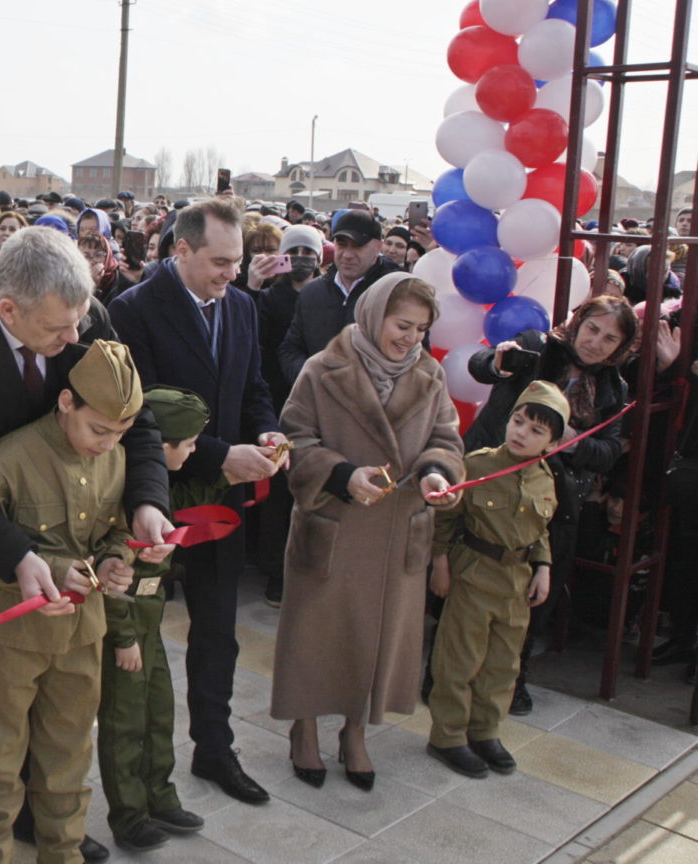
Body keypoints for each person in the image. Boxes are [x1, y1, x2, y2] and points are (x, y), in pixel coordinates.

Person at [0, 226, 172, 863]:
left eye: (79, 322)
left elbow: (137, 420)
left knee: (40, 707)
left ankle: (35, 822)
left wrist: (147, 502)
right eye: (57, 332)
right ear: (9, 308)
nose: (73, 341)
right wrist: (18, 556)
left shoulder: (81, 314)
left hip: (55, 541)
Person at [108, 198, 285, 805]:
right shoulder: (131, 310)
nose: (231, 274)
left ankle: (215, 748)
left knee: (217, 630)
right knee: (138, 637)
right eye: (219, 262)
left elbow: (254, 386)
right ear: (180, 250)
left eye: (238, 262)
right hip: (154, 495)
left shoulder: (242, 307)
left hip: (222, 501)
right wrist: (219, 453)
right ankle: (137, 777)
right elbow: (140, 410)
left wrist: (265, 433)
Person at [0, 341, 147, 863]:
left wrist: (111, 561)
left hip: (82, 634)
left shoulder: (116, 459)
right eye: (98, 430)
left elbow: (114, 530)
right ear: (66, 402)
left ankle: (63, 853)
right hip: (10, 634)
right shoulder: (11, 458)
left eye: (121, 434)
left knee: (68, 757)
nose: (107, 445)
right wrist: (45, 569)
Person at [271, 272, 464, 791]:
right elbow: (293, 439)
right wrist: (340, 475)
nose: (411, 338)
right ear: (375, 314)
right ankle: (304, 728)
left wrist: (436, 474)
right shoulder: (322, 368)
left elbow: (447, 439)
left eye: (421, 329)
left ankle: (356, 731)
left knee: (376, 640)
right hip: (334, 525)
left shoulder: (430, 373)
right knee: (316, 636)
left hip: (396, 531)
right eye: (403, 325)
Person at [464, 294, 635, 713]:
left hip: (553, 498)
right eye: (593, 328)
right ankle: (449, 670)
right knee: (471, 578)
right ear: (578, 321)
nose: (596, 342)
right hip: (494, 482)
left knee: (538, 590)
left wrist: (566, 441)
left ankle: (514, 676)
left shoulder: (614, 388)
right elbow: (484, 365)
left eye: (610, 338)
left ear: (620, 348)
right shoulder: (538, 347)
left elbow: (610, 450)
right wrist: (496, 363)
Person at [426, 382, 565, 779]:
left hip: (516, 584)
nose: (521, 433)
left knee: (503, 663)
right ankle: (448, 735)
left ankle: (485, 731)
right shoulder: (479, 464)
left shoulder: (544, 477)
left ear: (552, 442)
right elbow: (445, 519)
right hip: (474, 574)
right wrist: (439, 565)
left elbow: (540, 529)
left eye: (536, 431)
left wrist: (543, 566)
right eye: (518, 422)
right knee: (459, 659)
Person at [97, 386, 213, 852]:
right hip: (124, 630)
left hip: (150, 627)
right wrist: (123, 638)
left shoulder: (161, 490)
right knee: (124, 724)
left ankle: (160, 796)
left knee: (158, 714)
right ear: (162, 446)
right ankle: (128, 815)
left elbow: (200, 496)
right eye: (187, 443)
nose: (194, 451)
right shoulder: (123, 500)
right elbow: (113, 580)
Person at [254, 224, 324, 607]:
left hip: (316, 403)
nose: (301, 260)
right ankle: (274, 571)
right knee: (278, 490)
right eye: (293, 251)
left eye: (308, 253)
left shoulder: (324, 296)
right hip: (278, 400)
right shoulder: (269, 298)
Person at [279, 209, 402, 387]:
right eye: (342, 244)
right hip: (316, 405)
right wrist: (311, 378)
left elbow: (412, 359)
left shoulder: (397, 293)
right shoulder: (312, 292)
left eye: (357, 246)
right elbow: (291, 348)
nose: (347, 254)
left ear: (378, 247)